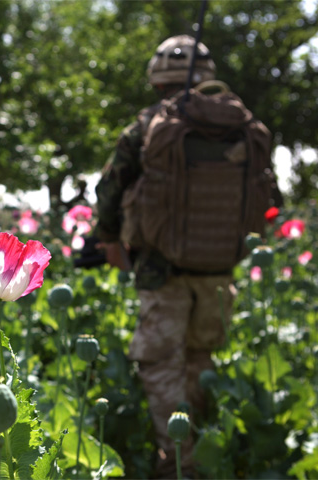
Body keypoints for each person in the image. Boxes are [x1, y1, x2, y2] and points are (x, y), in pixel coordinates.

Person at [94, 35, 281, 478]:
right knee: (200, 360)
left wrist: (110, 240)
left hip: (162, 268)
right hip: (221, 265)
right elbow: (271, 196)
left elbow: (111, 188)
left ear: (158, 81)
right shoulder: (242, 126)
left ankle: (178, 459)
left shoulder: (149, 124)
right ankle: (199, 448)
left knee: (161, 363)